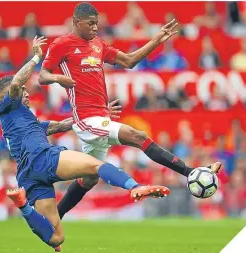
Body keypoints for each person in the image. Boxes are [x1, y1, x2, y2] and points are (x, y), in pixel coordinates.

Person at [39, 3, 223, 220]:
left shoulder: (98, 44)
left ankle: (52, 218)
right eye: (91, 24)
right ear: (76, 22)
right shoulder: (62, 44)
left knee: (89, 179)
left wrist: (156, 40)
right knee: (138, 136)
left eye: (97, 24)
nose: (96, 28)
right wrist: (57, 78)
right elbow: (43, 75)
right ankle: (190, 172)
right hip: (86, 120)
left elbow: (128, 61)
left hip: (101, 117)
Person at [0, 36, 170, 251]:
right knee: (95, 166)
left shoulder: (22, 123)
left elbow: (61, 126)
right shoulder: (7, 106)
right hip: (42, 158)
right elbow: (15, 83)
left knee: (56, 238)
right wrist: (36, 58)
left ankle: (23, 206)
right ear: (7, 95)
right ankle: (135, 187)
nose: (26, 93)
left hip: (27, 175)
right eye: (23, 92)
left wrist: (99, 113)